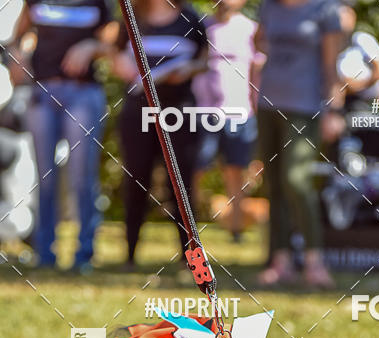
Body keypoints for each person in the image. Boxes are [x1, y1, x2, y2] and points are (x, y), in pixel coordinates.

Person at [8, 0, 117, 270]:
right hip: (43, 92)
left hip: (83, 93)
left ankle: (84, 254)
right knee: (45, 177)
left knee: (82, 177)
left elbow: (113, 45)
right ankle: (44, 254)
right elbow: (18, 36)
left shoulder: (100, 3)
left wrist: (91, 46)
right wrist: (18, 56)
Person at [255, 0, 345, 289]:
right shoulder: (269, 6)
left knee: (296, 179)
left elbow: (332, 66)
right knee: (274, 184)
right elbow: (261, 43)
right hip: (268, 103)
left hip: (306, 108)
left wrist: (334, 110)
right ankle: (280, 262)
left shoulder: (326, 10)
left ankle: (314, 261)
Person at [112, 0, 207, 266]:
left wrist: (188, 69)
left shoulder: (190, 18)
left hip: (179, 111)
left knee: (180, 182)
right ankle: (130, 254)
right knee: (136, 176)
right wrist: (124, 67)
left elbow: (205, 59)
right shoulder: (132, 16)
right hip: (137, 110)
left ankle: (190, 257)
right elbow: (115, 55)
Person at [192, 0, 264, 243]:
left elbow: (256, 72)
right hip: (204, 112)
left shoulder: (251, 29)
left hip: (240, 112)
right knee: (196, 168)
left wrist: (257, 106)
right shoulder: (202, 27)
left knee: (236, 171)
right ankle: (189, 228)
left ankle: (236, 229)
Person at [336, 0, 379, 110]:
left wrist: (357, 85)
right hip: (349, 106)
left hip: (376, 104)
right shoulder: (329, 48)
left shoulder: (361, 39)